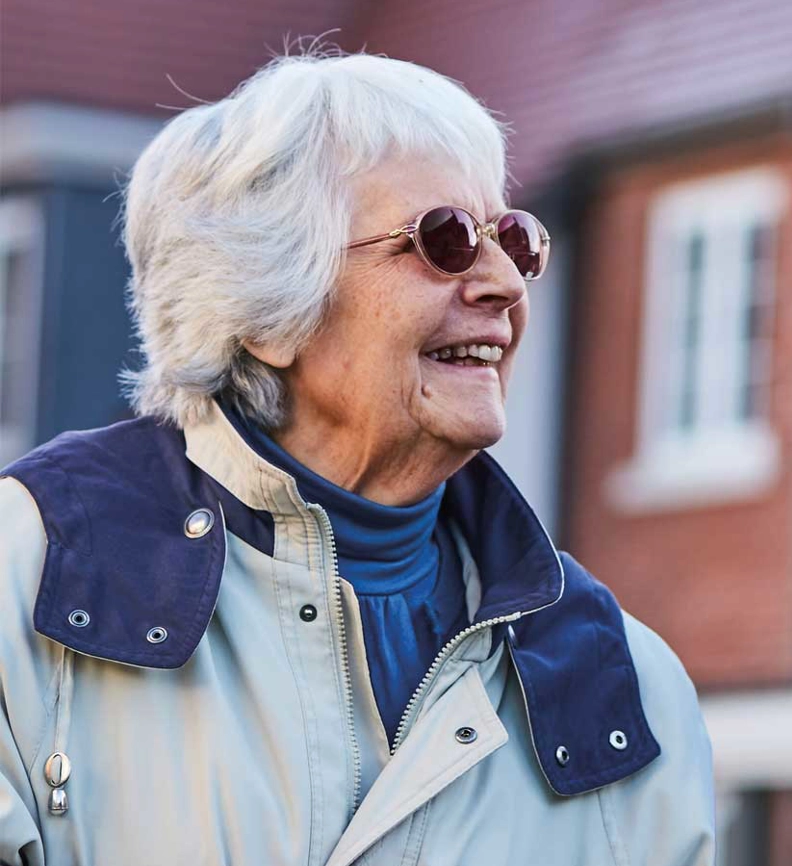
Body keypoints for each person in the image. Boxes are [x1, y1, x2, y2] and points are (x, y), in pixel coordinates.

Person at [0, 50, 713, 865]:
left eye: (513, 240)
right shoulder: (31, 572)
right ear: (265, 310)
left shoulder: (625, 687)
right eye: (446, 240)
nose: (506, 285)